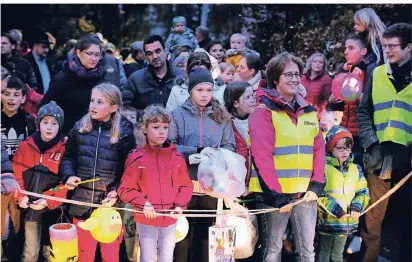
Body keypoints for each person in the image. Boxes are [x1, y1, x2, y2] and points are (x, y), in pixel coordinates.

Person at [248, 52, 325, 262]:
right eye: (288, 74)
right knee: (273, 250)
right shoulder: (262, 112)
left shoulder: (308, 111)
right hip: (275, 195)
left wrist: (317, 182)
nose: (294, 79)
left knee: (307, 251)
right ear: (275, 78)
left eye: (297, 74)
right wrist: (274, 192)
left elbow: (318, 149)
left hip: (304, 193)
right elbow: (261, 155)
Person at [60, 83, 136, 262]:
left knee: (110, 255)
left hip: (109, 207)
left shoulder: (124, 133)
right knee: (84, 254)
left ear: (113, 107)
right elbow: (68, 157)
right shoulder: (80, 128)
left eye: (99, 102)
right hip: (81, 202)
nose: (93, 105)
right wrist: (68, 175)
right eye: (92, 100)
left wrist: (117, 190)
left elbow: (129, 170)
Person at [357, 23, 411, 262]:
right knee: (373, 219)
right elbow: (364, 111)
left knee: (406, 218)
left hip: (408, 157)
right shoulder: (377, 73)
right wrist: (370, 143)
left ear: (409, 47)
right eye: (384, 45)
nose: (387, 50)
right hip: (380, 156)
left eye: (392, 46)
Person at [169, 68, 235, 262]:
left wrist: (218, 155)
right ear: (191, 91)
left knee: (209, 235)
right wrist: (194, 152)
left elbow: (229, 144)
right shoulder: (177, 115)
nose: (205, 95)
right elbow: (169, 146)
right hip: (184, 184)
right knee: (182, 234)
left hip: (212, 186)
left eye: (208, 90)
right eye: (200, 90)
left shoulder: (221, 115)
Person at [118, 105, 193, 262]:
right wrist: (143, 203)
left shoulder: (177, 158)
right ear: (145, 129)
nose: (161, 131)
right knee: (147, 257)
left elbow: (185, 186)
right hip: (147, 219)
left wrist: (180, 206)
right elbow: (125, 189)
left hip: (170, 218)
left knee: (167, 257)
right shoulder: (137, 158)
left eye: (165, 127)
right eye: (156, 127)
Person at [13, 101, 68, 262]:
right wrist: (20, 197)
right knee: (30, 251)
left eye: (54, 123)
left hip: (54, 210)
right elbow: (16, 176)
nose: (49, 127)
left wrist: (48, 199)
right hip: (31, 209)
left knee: (50, 253)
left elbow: (65, 184)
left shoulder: (65, 149)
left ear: (60, 126)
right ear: (38, 124)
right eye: (45, 122)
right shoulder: (25, 147)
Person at [40, 34, 123, 135]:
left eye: (97, 55)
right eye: (89, 53)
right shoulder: (63, 78)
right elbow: (44, 105)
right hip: (67, 134)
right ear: (79, 53)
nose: (94, 58)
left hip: (94, 135)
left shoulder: (101, 77)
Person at [317, 125, 369, 262]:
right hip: (327, 221)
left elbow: (363, 191)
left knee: (338, 254)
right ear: (330, 147)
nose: (345, 151)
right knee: (324, 252)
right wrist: (334, 209)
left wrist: (356, 207)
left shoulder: (356, 168)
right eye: (340, 148)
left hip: (346, 222)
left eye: (348, 147)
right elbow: (318, 193)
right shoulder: (322, 168)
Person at [329, 33, 378, 167]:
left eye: (351, 48)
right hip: (346, 130)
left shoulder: (371, 70)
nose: (345, 52)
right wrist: (333, 101)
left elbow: (374, 102)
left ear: (363, 51)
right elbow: (343, 103)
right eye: (345, 48)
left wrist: (358, 96)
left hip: (363, 134)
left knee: (361, 171)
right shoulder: (346, 71)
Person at [122, 35, 185, 111]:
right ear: (145, 57)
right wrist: (145, 116)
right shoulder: (135, 79)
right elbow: (125, 107)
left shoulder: (181, 76)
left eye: (158, 51)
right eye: (149, 53)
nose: (154, 56)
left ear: (165, 51)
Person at [223, 81, 256, 189]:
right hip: (234, 184)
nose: (252, 100)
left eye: (252, 95)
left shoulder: (258, 120)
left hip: (255, 182)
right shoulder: (225, 124)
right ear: (235, 103)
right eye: (247, 97)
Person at [1, 76, 36, 160]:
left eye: (16, 95)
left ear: (23, 99)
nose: (11, 98)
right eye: (7, 94)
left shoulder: (29, 121)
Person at [24, 30, 54, 94]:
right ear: (35, 46)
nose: (46, 50)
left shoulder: (49, 63)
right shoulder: (26, 62)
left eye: (48, 47)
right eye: (43, 47)